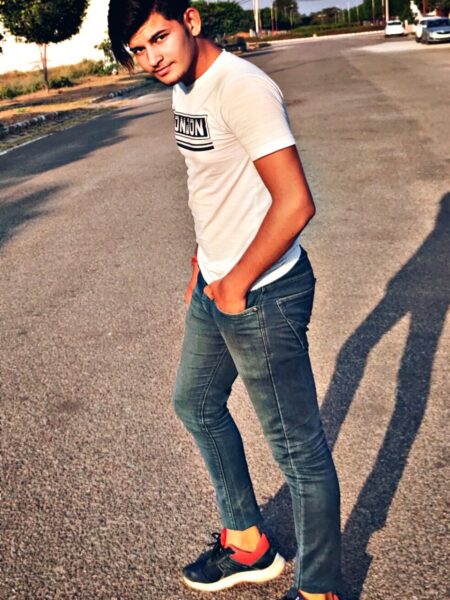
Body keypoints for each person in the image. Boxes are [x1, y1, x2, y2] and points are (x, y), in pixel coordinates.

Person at [108, 2, 341, 598]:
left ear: (190, 21)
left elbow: (295, 203)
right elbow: (210, 181)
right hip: (217, 282)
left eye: (159, 38)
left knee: (298, 452)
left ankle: (319, 588)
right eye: (138, 49)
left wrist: (235, 282)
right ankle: (248, 543)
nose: (151, 58)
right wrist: (202, 258)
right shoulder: (183, 85)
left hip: (263, 293)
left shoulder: (242, 88)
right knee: (196, 402)